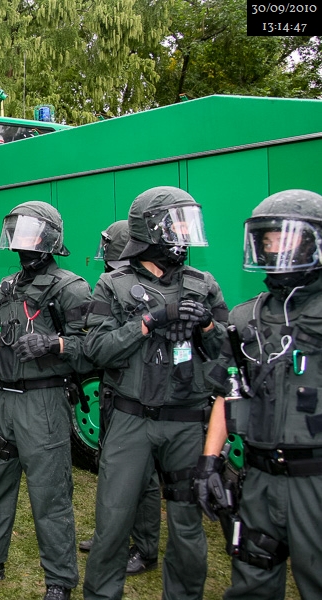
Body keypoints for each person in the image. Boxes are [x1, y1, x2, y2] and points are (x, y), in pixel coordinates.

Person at [82, 186, 228, 600]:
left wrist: (207, 326)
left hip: (186, 423)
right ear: (150, 230)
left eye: (187, 224)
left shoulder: (203, 284)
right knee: (112, 522)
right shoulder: (113, 284)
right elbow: (95, 349)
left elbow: (227, 355)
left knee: (187, 525)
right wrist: (148, 321)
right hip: (131, 420)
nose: (184, 234)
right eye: (175, 225)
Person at [0, 202, 90, 599]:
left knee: (50, 495)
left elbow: (92, 348)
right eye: (17, 230)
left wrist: (53, 344)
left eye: (31, 232)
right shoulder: (8, 285)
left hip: (43, 403)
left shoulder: (70, 287)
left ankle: (59, 580)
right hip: (4, 402)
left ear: (50, 238)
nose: (22, 240)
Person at [196, 189, 322, 599]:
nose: (275, 249)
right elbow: (226, 393)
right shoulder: (245, 317)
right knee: (251, 581)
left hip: (315, 479)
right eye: (268, 240)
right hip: (259, 480)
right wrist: (210, 463)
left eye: (286, 239)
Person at [77, 220, 162, 577]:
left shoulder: (137, 287)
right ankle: (110, 535)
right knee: (114, 469)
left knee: (143, 477)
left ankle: (144, 547)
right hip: (115, 388)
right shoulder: (115, 282)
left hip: (137, 394)